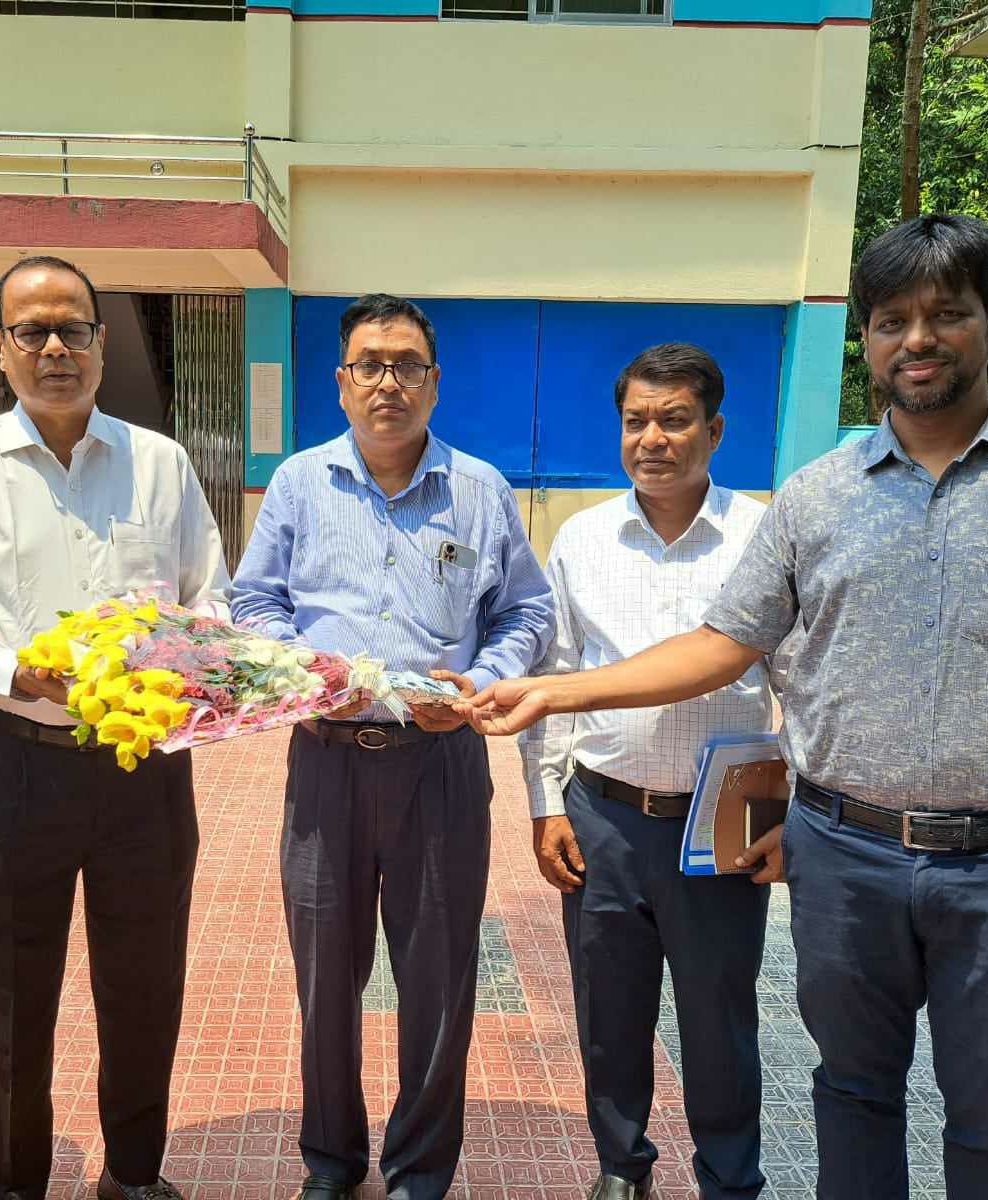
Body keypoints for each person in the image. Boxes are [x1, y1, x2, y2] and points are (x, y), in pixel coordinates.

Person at [462, 214, 988, 1199]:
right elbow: (724, 645)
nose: (917, 339)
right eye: (890, 321)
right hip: (846, 859)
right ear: (866, 339)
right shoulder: (817, 496)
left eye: (945, 314)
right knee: (851, 1095)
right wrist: (551, 690)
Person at [0, 255, 230, 1200]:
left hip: (143, 769)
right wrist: (14, 670)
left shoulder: (160, 462)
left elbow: (210, 599)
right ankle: (12, 1184)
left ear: (101, 342)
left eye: (73, 329)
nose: (55, 348)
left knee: (144, 985)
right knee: (8, 998)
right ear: (2, 347)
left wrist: (183, 665)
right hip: (15, 766)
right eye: (32, 331)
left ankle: (133, 1175)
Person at [231, 293, 555, 1200]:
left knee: (439, 979)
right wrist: (302, 672)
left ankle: (419, 1171)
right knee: (325, 978)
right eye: (369, 364)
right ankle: (330, 1164)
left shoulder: (480, 490)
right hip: (326, 762)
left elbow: (529, 611)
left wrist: (481, 679)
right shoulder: (299, 483)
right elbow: (254, 600)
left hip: (439, 764)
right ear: (341, 382)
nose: (388, 383)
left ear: (434, 382)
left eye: (407, 365)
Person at [525, 343, 773, 1200]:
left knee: (720, 1018)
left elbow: (803, 683)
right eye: (637, 421)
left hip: (727, 820)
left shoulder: (763, 536)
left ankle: (730, 1179)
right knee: (609, 1011)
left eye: (674, 420)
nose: (652, 439)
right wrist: (545, 805)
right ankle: (621, 1167)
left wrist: (792, 818)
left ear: (716, 430)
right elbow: (556, 674)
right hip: (604, 814)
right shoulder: (583, 539)